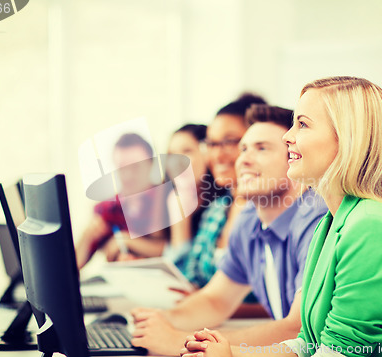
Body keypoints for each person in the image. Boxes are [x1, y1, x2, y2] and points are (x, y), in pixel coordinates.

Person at [182, 76, 382, 357]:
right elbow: (308, 343)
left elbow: (338, 352)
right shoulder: (330, 223)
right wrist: (231, 353)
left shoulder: (371, 226)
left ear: (346, 138)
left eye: (303, 124)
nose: (287, 137)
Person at [131, 104, 328, 356]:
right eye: (244, 148)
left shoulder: (316, 218)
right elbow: (216, 300)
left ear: (294, 157)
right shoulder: (248, 220)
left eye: (262, 148)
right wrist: (161, 320)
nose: (242, 159)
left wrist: (179, 341)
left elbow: (299, 330)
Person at [181, 93, 267, 288]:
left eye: (229, 142)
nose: (217, 155)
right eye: (211, 144)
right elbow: (191, 276)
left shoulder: (272, 212)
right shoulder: (216, 209)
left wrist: (201, 302)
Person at [75, 133, 168, 269]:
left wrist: (127, 241)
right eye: (122, 168)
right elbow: (73, 267)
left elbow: (173, 249)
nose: (128, 175)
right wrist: (87, 236)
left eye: (135, 167)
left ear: (150, 165)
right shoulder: (106, 210)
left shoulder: (167, 199)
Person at [163, 124, 225, 271]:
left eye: (187, 151)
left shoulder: (223, 206)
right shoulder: (172, 197)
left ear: (207, 153)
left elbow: (184, 271)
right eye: (172, 154)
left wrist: (181, 222)